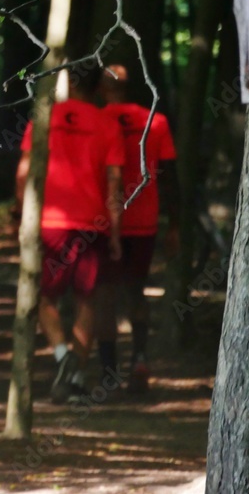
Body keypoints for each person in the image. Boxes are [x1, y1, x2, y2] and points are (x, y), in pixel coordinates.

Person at [16, 61, 125, 403]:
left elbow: (24, 172)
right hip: (93, 224)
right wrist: (116, 230)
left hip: (49, 223)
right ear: (96, 87)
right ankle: (73, 374)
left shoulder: (44, 119)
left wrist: (22, 214)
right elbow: (115, 181)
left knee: (44, 298)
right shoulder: (107, 124)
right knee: (86, 300)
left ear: (67, 81)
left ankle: (63, 357)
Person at [97, 64, 179, 392]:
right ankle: (140, 358)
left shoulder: (95, 122)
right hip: (144, 220)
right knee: (137, 290)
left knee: (105, 296)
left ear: (102, 89)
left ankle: (108, 372)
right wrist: (174, 224)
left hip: (103, 223)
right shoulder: (155, 121)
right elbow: (170, 176)